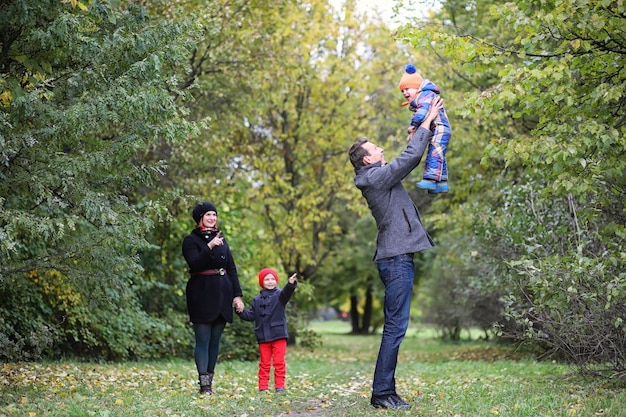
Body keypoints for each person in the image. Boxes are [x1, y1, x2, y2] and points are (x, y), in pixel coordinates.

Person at [347, 96, 444, 410]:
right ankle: (382, 394)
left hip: (398, 257)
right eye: (376, 149)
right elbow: (410, 158)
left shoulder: (377, 175)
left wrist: (418, 128)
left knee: (396, 327)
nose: (381, 150)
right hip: (396, 258)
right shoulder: (374, 178)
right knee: (395, 327)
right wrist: (427, 121)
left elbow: (405, 155)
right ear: (367, 159)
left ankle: (385, 391)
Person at [182, 201, 245, 395]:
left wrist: (237, 295)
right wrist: (209, 246)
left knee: (215, 340)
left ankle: (210, 379)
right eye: (208, 215)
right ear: (200, 218)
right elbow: (194, 263)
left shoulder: (222, 240)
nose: (212, 218)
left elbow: (232, 269)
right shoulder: (190, 241)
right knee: (203, 339)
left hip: (223, 293)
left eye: (214, 215)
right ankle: (204, 385)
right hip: (201, 293)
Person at [237, 268, 297, 393]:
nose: (270, 282)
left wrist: (290, 284)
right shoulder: (257, 300)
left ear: (276, 281)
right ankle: (263, 387)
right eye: (267, 279)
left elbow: (287, 293)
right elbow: (251, 316)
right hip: (262, 336)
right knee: (264, 363)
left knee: (279, 362)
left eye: (272, 279)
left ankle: (279, 386)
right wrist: (240, 311)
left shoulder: (280, 295)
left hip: (278, 334)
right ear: (261, 282)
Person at [399, 63, 452, 194]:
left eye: (407, 89)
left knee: (434, 153)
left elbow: (421, 113)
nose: (405, 93)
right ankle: (441, 183)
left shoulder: (425, 95)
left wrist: (413, 125)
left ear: (417, 87)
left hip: (440, 128)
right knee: (439, 154)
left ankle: (430, 179)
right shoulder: (424, 96)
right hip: (440, 129)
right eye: (402, 91)